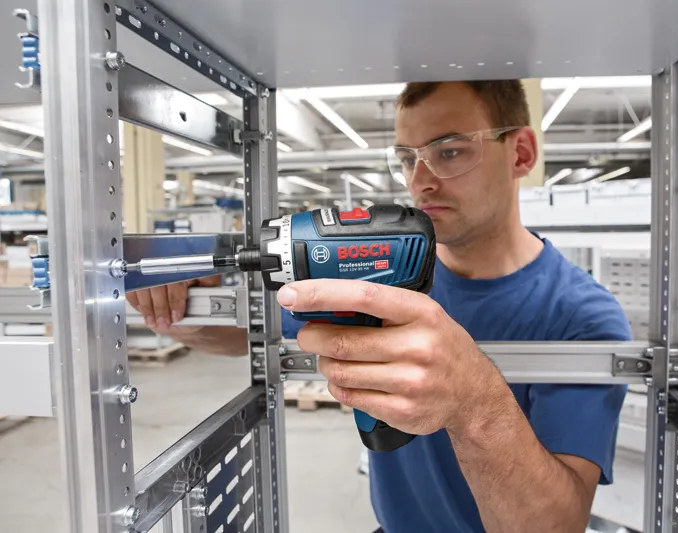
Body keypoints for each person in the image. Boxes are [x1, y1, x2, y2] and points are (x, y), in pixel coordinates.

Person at [127, 80, 631, 533]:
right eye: (409, 157)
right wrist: (180, 306)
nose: (421, 180)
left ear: (520, 153)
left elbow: (556, 527)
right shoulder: (380, 272)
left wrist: (473, 399)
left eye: (450, 152)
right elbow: (240, 334)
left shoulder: (584, 317)